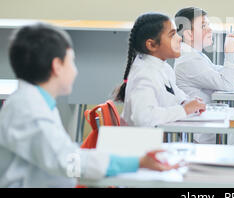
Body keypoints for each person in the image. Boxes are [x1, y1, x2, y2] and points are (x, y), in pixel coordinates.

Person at [0, 23, 177, 188]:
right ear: (57, 66)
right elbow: (69, 163)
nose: (75, 70)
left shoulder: (34, 102)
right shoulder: (29, 111)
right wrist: (138, 162)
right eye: (71, 61)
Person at [173, 7, 234, 188]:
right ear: (189, 34)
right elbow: (228, 84)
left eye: (209, 24)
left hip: (210, 120)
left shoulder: (195, 56)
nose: (210, 29)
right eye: (203, 26)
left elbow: (222, 76)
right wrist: (229, 51)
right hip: (204, 129)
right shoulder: (188, 59)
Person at [115, 12, 205, 127]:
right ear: (152, 45)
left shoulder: (163, 67)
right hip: (141, 143)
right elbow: (143, 117)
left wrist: (187, 102)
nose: (179, 38)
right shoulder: (144, 74)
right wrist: (184, 110)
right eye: (172, 35)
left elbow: (174, 93)